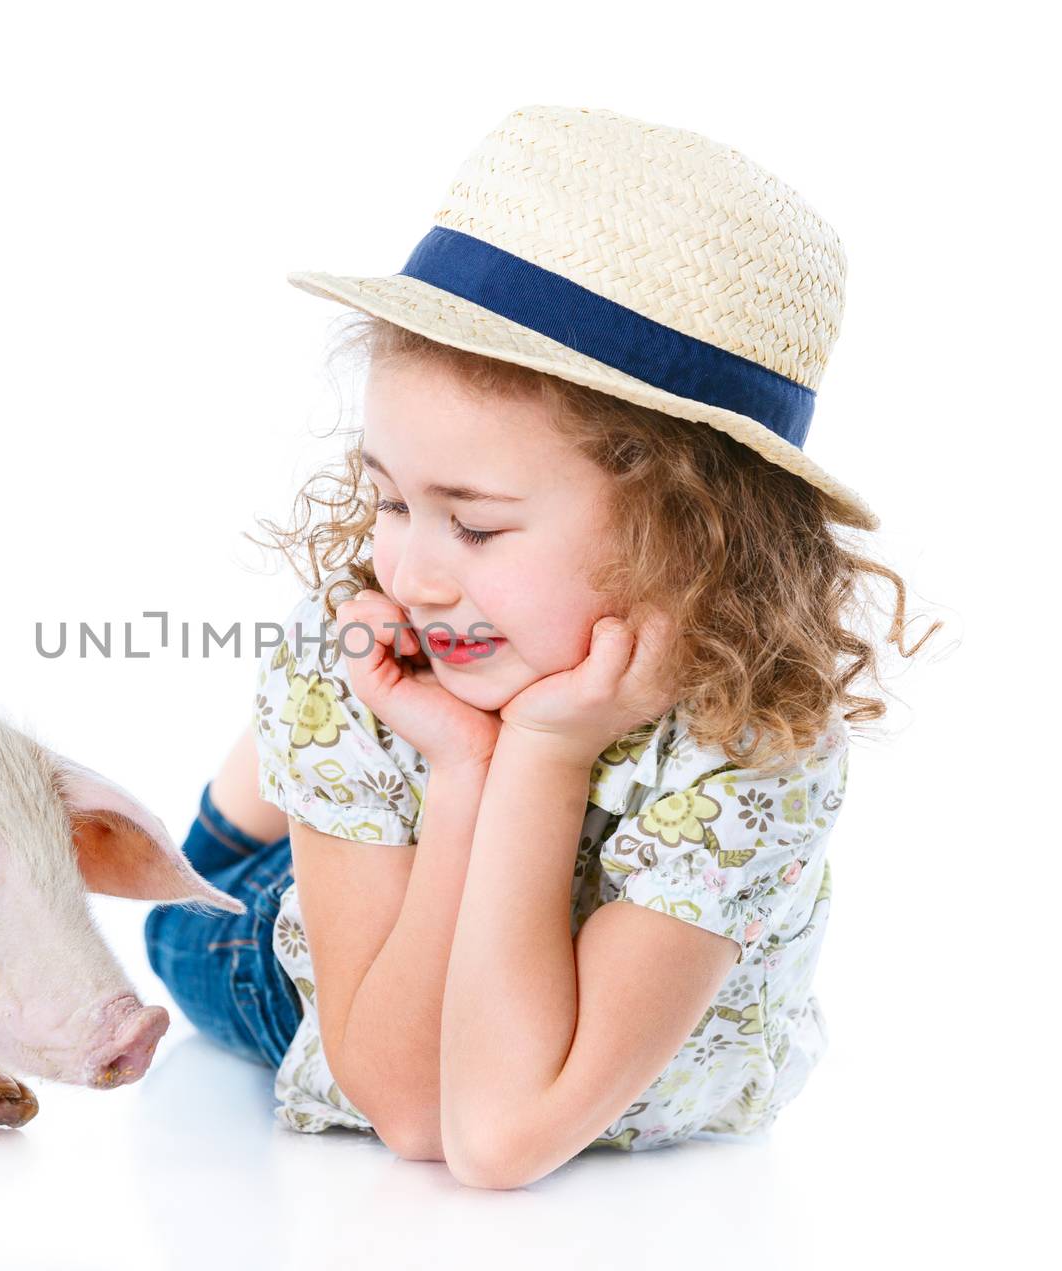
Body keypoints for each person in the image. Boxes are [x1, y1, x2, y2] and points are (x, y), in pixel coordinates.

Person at [142, 104, 937, 1189]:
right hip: (310, 948)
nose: (414, 574)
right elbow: (411, 1111)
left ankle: (292, 772)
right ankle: (265, 787)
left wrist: (546, 757)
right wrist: (465, 766)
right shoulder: (384, 677)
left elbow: (496, 1132)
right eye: (387, 500)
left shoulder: (754, 754)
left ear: (691, 534)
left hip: (472, 932)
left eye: (473, 524)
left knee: (351, 702)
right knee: (187, 923)